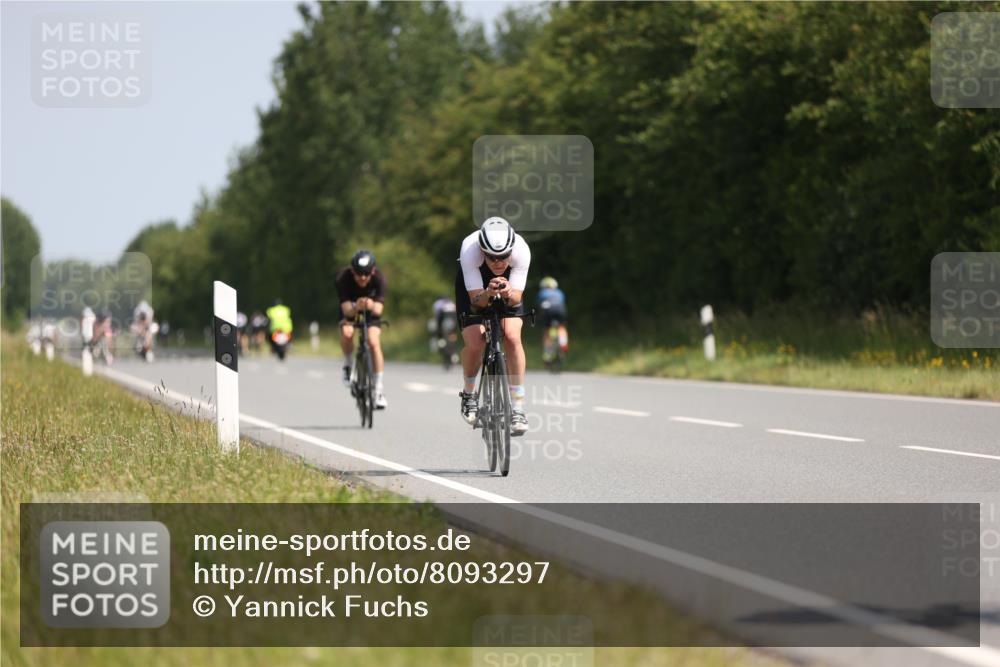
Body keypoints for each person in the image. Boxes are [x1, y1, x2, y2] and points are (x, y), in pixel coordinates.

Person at [456, 216, 531, 435]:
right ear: (482, 250)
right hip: (475, 286)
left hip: (509, 283)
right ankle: (469, 395)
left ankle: (517, 407)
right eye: (491, 257)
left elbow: (516, 298)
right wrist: (487, 293)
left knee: (512, 337)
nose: (498, 262)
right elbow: (475, 301)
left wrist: (508, 293)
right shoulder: (469, 250)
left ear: (511, 250)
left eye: (503, 256)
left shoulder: (521, 250)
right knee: (475, 342)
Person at [336, 250, 388, 409]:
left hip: (371, 312)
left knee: (373, 342)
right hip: (350, 309)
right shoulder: (343, 278)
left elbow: (379, 310)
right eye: (359, 274)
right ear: (352, 271)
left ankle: (378, 390)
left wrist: (370, 305)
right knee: (347, 332)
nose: (363, 278)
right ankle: (348, 364)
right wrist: (356, 307)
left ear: (373, 271)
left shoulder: (380, 279)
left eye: (366, 274)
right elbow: (346, 310)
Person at [536, 276, 569, 363]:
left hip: (548, 311)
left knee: (547, 332)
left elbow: (539, 305)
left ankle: (547, 354)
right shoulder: (559, 292)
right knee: (561, 326)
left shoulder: (542, 292)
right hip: (561, 309)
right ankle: (563, 343)